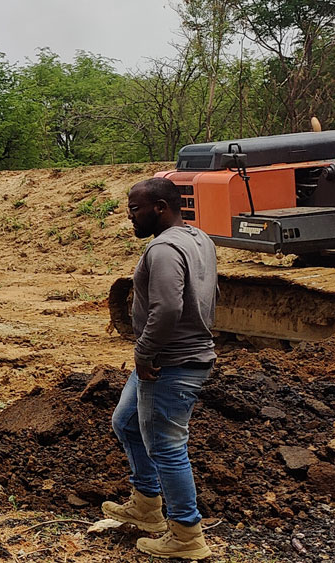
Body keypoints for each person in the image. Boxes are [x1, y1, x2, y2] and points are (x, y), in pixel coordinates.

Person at [102, 177, 217, 560]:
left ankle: (186, 534)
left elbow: (167, 307)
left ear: (160, 208)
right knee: (126, 422)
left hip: (169, 363)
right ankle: (146, 504)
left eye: (135, 209)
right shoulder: (198, 239)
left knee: (167, 447)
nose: (131, 217)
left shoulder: (165, 250)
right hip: (172, 357)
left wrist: (145, 353)